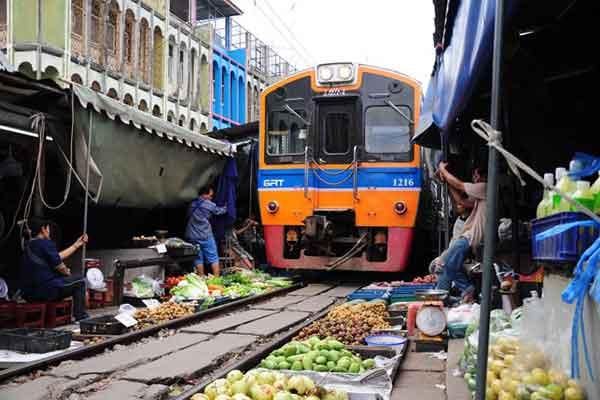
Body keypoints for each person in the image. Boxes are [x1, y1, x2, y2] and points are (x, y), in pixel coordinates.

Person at [434, 162, 488, 303]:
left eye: (476, 175)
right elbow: (462, 202)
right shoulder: (480, 196)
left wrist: (442, 170)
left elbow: (459, 185)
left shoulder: (485, 187)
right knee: (449, 264)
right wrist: (446, 181)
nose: (474, 178)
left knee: (444, 264)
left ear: (483, 176)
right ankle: (459, 292)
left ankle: (443, 299)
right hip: (468, 237)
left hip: (470, 238)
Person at [20, 218, 89, 321]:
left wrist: (76, 245)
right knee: (80, 281)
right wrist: (66, 272)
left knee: (63, 282)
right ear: (43, 230)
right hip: (45, 290)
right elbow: (59, 265)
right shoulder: (45, 243)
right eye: (48, 228)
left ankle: (54, 313)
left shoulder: (29, 246)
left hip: (28, 294)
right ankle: (81, 316)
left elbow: (56, 256)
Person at [186, 185, 227, 276]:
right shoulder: (208, 204)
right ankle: (216, 279)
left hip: (192, 235)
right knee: (213, 257)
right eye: (210, 195)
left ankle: (201, 279)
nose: (211, 198)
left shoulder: (192, 204)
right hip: (205, 235)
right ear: (204, 194)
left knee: (197, 258)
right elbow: (220, 211)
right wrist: (228, 205)